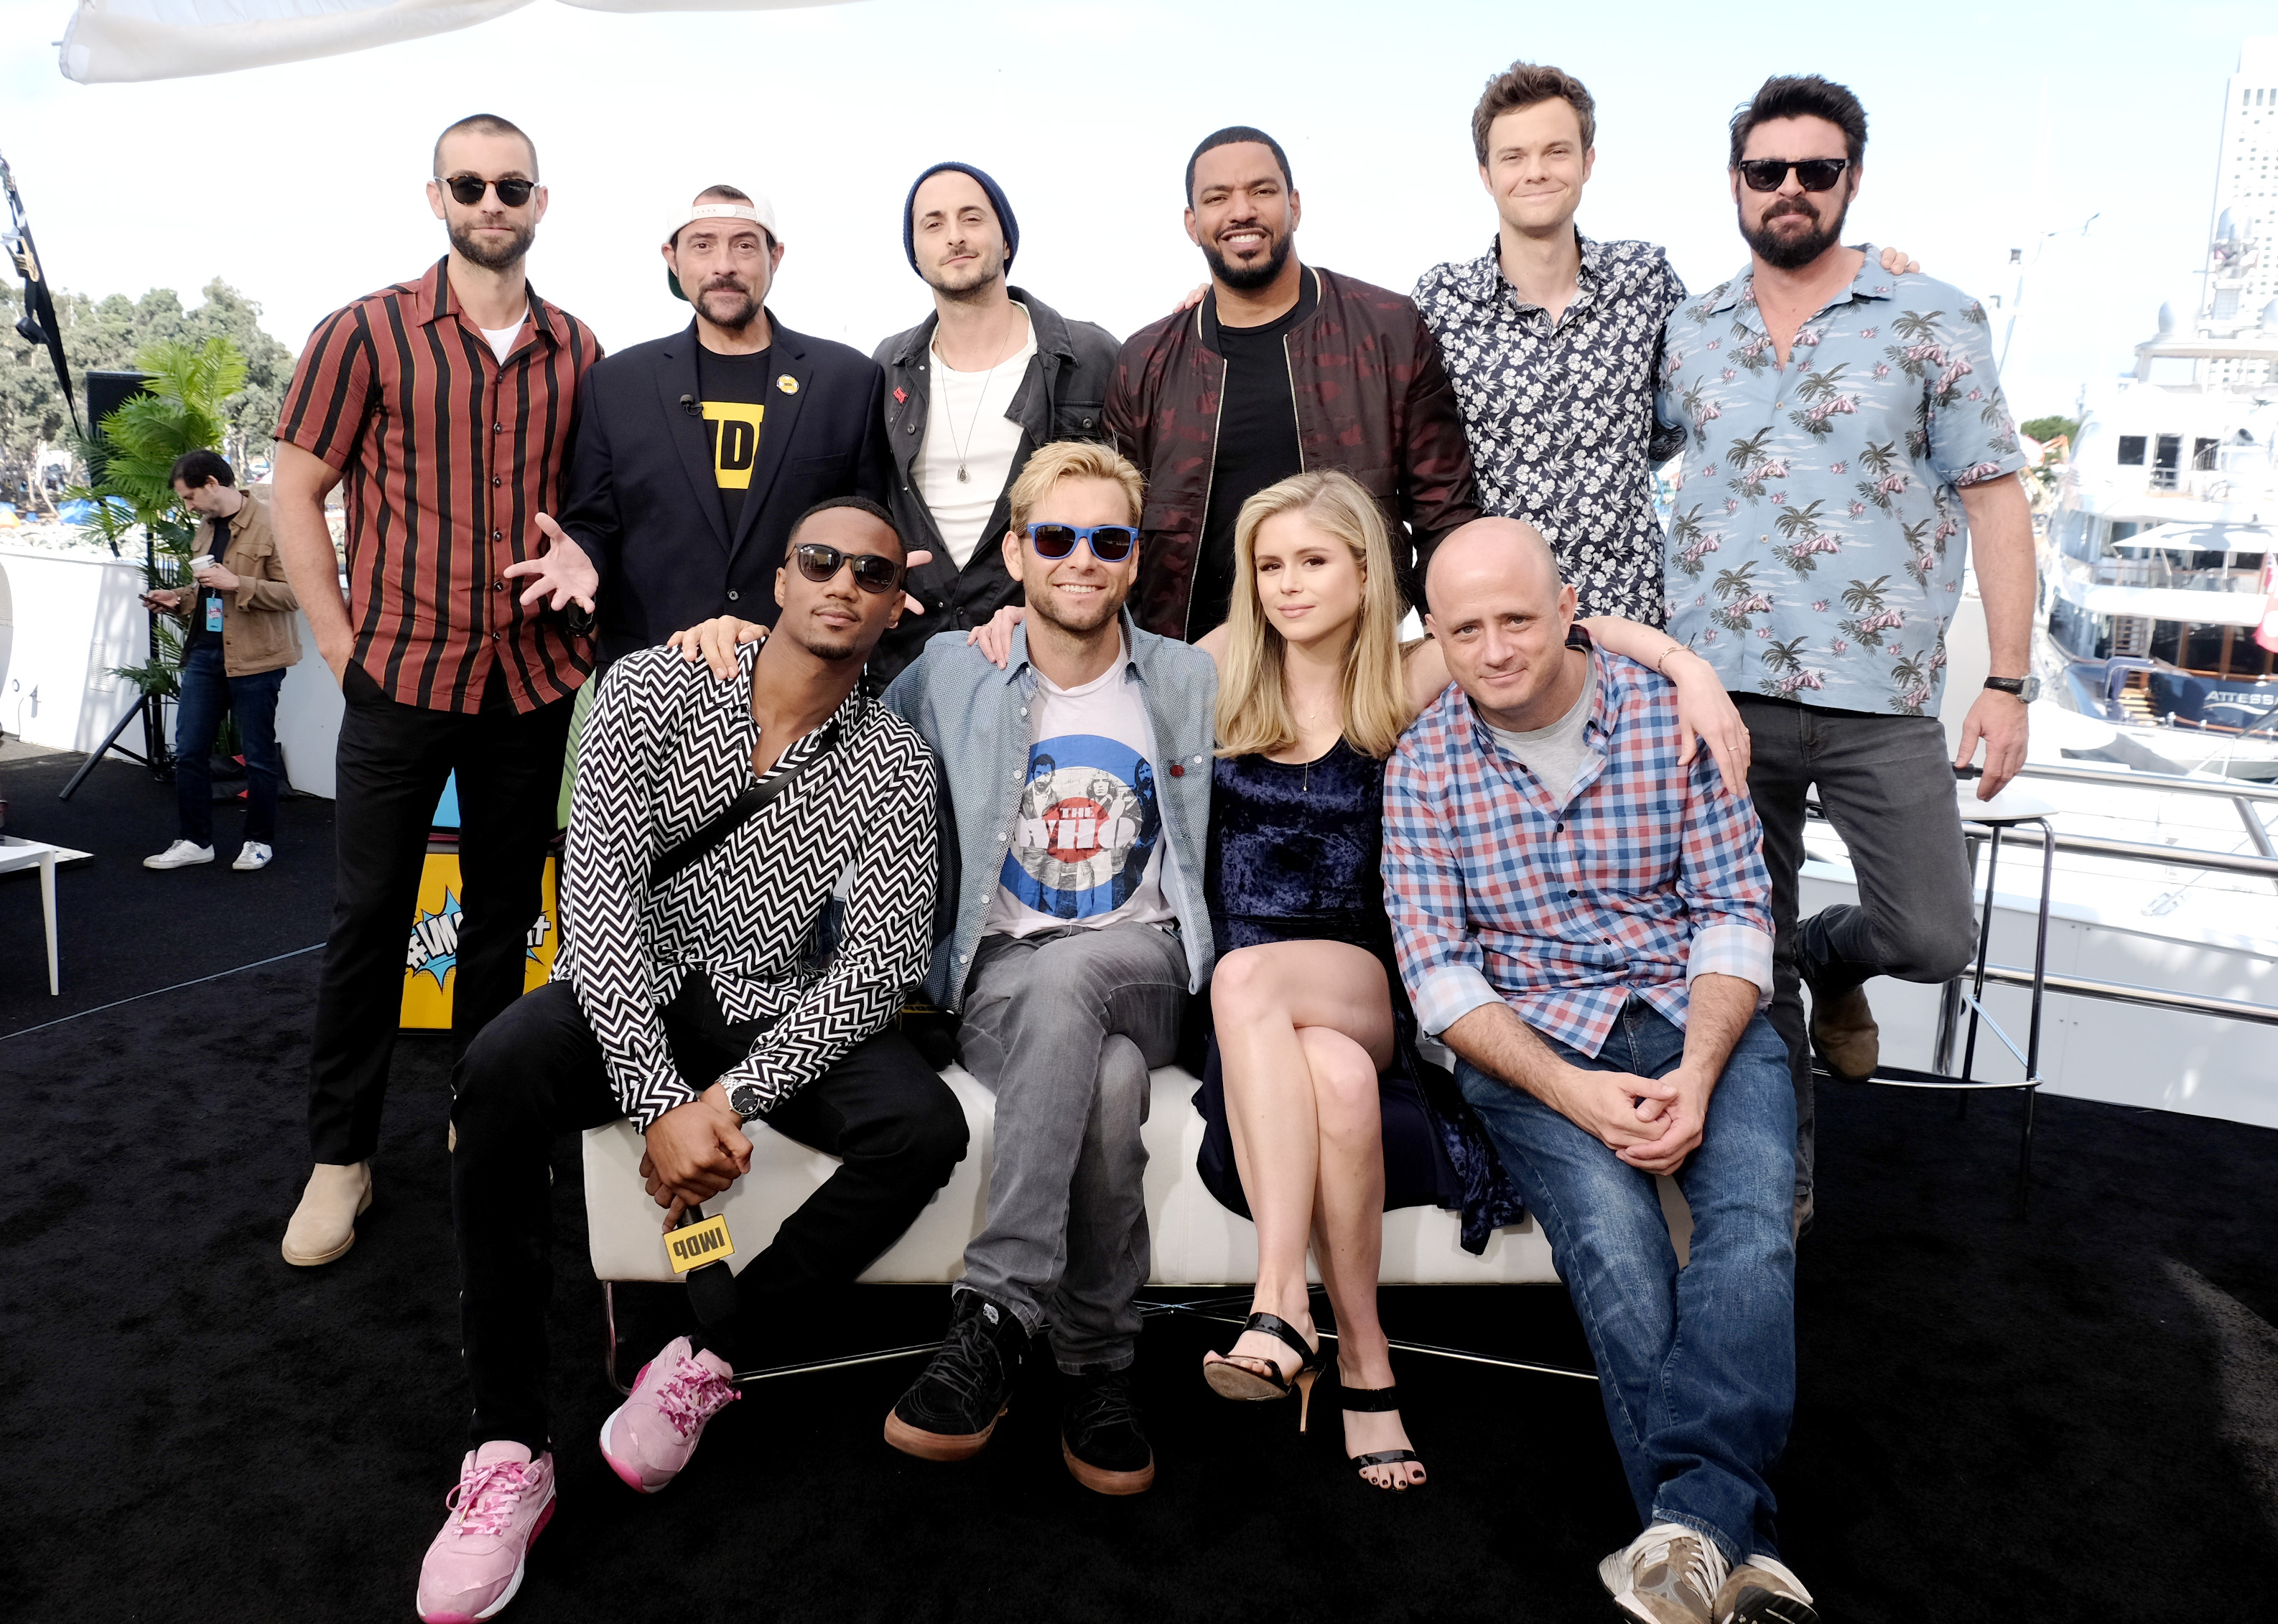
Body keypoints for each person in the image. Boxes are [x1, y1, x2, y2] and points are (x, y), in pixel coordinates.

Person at [964, 493, 1751, 1494]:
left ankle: (1281, 1296)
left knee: (1278, 993)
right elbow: (1087, 645)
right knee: (1325, 1071)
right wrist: (1001, 619)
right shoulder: (1211, 671)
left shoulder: (1413, 670)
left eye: (1314, 562)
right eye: (1271, 565)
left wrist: (1686, 665)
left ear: (1368, 573)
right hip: (1248, 1018)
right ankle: (1368, 1366)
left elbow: (1573, 626)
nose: (1289, 584)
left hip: (1367, 974)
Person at [414, 497, 963, 1624]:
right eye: (821, 560)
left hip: (762, 1004)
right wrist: (662, 1099)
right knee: (502, 1065)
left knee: (923, 1127)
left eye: (871, 570)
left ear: (892, 605)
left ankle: (713, 1349)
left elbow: (883, 960)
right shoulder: (652, 689)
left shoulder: (898, 762)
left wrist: (726, 1097)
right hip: (635, 979)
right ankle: (510, 1446)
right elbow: (600, 901)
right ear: (779, 577)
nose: (843, 583)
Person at [1385, 523, 1813, 1624]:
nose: (1492, 650)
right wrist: (1573, 1090)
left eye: (1516, 618)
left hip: (1693, 1014)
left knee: (1755, 1218)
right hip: (1533, 1045)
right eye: (1463, 628)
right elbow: (1436, 973)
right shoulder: (1423, 762)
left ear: (1569, 603)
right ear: (1436, 634)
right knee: (1618, 1247)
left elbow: (1733, 909)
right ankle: (1742, 1546)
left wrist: (1702, 1071)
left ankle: (1689, 1535)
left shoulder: (1671, 716)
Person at [1656, 75, 2034, 1233]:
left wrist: (2009, 683)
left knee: (1929, 933)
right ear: (1733, 184)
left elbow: (1997, 502)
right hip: (1718, 695)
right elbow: (1584, 432)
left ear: (1850, 182)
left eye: (1813, 171)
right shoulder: (1688, 330)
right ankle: (1786, 1179)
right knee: (1744, 962)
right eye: (1764, 171)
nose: (1787, 190)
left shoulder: (1932, 316)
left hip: (1879, 695)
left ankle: (1840, 952)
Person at [270, 113, 603, 1268]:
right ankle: (339, 1156)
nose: (491, 201)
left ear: (540, 202)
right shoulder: (363, 333)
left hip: (532, 682)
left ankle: (481, 1116)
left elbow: (598, 508)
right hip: (401, 677)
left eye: (512, 184)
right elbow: (296, 488)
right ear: (437, 198)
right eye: (470, 183)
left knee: (506, 926)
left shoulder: (579, 346)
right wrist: (336, 638)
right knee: (368, 920)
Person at [880, 439, 1214, 1496]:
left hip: (1150, 962)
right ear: (1017, 551)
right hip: (1000, 975)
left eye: (1107, 540)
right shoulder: (949, 671)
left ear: (1133, 558)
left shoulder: (1190, 675)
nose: (1083, 560)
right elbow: (850, 760)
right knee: (1108, 1084)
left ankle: (994, 1309)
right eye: (1056, 538)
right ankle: (1098, 1364)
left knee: (1083, 985)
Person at [1415, 62, 1919, 624]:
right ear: (1485, 173)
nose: (1536, 171)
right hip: (1499, 626)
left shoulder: (1645, 278)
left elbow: (1743, 343)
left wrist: (1862, 267)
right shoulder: (1441, 301)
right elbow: (1426, 468)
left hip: (1637, 618)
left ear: (1588, 162)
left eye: (1556, 151)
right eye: (1514, 156)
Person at [1106, 125, 1479, 640]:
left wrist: (1455, 641)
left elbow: (1446, 515)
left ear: (1295, 206)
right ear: (1192, 224)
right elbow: (1111, 530)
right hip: (1191, 673)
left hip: (1354, 668)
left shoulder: (1386, 330)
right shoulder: (1146, 361)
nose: (1241, 211)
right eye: (1218, 198)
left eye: (1262, 191)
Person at [513, 185, 894, 666]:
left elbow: (868, 525)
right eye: (703, 244)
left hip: (804, 678)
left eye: (745, 245)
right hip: (653, 678)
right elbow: (594, 523)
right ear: (673, 259)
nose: (724, 266)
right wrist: (586, 560)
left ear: (775, 257)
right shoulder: (616, 385)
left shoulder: (847, 382)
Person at [867, 162, 1121, 686]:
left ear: (1006, 240)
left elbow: (1133, 505)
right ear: (914, 252)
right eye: (933, 224)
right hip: (910, 659)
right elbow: (868, 502)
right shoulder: (886, 365)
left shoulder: (1090, 356)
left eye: (972, 218)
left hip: (1044, 656)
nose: (955, 237)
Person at [140, 449, 300, 874]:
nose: (188, 507)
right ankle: (195, 841)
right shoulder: (207, 526)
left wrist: (237, 583)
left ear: (212, 483)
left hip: (257, 657)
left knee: (258, 755)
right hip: (207, 653)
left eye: (191, 497)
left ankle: (258, 841)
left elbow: (297, 593)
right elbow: (205, 589)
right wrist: (178, 599)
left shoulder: (273, 523)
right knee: (189, 752)